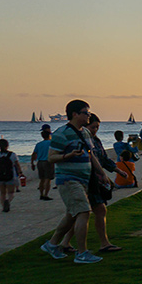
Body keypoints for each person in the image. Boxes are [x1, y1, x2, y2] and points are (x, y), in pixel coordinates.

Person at [39, 99, 105, 264]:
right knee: (83, 212)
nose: (88, 115)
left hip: (83, 179)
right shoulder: (61, 133)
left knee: (72, 215)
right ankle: (82, 253)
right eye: (86, 112)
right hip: (69, 180)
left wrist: (101, 173)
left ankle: (52, 244)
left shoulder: (85, 133)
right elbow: (51, 157)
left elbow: (90, 154)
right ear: (75, 114)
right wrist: (68, 156)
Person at [61, 114, 120, 253]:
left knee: (78, 213)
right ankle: (101, 244)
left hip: (95, 180)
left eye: (97, 127)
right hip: (87, 181)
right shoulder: (81, 142)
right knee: (94, 211)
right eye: (93, 127)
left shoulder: (96, 141)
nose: (95, 130)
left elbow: (103, 159)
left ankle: (63, 242)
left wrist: (117, 170)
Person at [0, 139, 23, 212]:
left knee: (2, 193)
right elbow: (17, 165)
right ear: (7, 146)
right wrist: (20, 172)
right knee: (11, 192)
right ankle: (8, 201)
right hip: (10, 176)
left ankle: (3, 206)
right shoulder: (12, 155)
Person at [31, 125, 54, 200]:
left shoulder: (39, 144)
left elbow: (34, 154)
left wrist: (32, 163)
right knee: (48, 179)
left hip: (40, 162)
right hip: (48, 162)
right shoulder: (51, 143)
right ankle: (46, 194)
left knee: (42, 179)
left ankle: (41, 194)